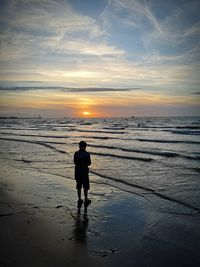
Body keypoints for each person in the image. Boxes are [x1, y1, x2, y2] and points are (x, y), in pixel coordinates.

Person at [74, 141, 91, 211]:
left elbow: (75, 162)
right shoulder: (87, 154)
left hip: (77, 172)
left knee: (79, 186)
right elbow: (89, 163)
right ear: (85, 146)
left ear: (79, 146)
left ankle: (79, 198)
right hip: (84, 172)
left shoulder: (76, 153)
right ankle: (86, 198)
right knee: (85, 186)